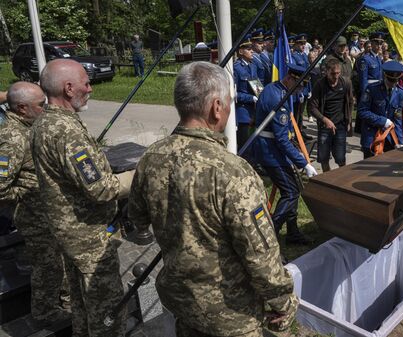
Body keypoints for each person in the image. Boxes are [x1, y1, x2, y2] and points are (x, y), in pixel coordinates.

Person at [128, 61, 297, 337]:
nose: (230, 109)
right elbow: (261, 256)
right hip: (231, 316)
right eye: (229, 102)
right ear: (216, 107)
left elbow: (137, 219)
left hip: (181, 302)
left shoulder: (151, 158)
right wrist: (283, 301)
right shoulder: (233, 172)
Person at [31, 59, 135, 336]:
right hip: (89, 239)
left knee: (82, 306)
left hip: (69, 234)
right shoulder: (66, 132)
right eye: (86, 83)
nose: (90, 89)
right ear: (68, 88)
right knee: (106, 312)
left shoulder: (44, 122)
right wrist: (141, 174)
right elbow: (101, 188)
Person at [0, 82, 69, 327]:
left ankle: (64, 300)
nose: (46, 108)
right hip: (33, 215)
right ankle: (45, 312)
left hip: (45, 212)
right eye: (41, 105)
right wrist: (24, 191)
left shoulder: (27, 127)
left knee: (57, 260)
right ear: (21, 108)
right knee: (46, 265)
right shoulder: (12, 138)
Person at [253, 63, 317, 244]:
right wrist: (303, 163)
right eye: (300, 85)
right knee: (290, 192)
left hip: (273, 150)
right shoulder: (278, 98)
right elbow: (281, 139)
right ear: (290, 78)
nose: (301, 90)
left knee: (293, 188)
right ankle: (270, 235)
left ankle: (293, 232)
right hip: (270, 153)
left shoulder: (277, 90)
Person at [309, 58, 353, 171]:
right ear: (326, 72)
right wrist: (324, 120)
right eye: (333, 74)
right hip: (325, 127)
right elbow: (312, 108)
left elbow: (350, 102)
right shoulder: (320, 85)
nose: (336, 76)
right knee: (323, 158)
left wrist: (349, 121)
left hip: (340, 125)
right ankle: (326, 180)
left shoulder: (346, 83)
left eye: (338, 73)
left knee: (340, 158)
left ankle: (340, 181)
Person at [357, 61, 403, 158]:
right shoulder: (372, 89)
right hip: (371, 137)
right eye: (390, 80)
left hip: (390, 139)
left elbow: (398, 118)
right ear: (385, 76)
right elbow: (362, 111)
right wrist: (383, 121)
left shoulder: (400, 92)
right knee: (368, 169)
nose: (393, 83)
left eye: (395, 81)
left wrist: (399, 141)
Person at [234, 35, 259, 151]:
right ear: (241, 51)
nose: (252, 51)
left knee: (253, 143)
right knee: (244, 145)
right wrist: (251, 98)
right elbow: (234, 94)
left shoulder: (253, 66)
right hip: (243, 112)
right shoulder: (236, 68)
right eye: (249, 49)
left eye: (251, 48)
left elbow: (256, 84)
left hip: (253, 111)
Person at [291, 34, 312, 140]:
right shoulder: (293, 56)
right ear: (295, 44)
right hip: (297, 90)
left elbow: (308, 74)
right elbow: (295, 75)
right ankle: (295, 134)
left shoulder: (304, 55)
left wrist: (309, 89)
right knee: (295, 113)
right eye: (300, 43)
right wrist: (299, 91)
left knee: (300, 113)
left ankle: (300, 132)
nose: (303, 45)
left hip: (304, 89)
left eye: (304, 43)